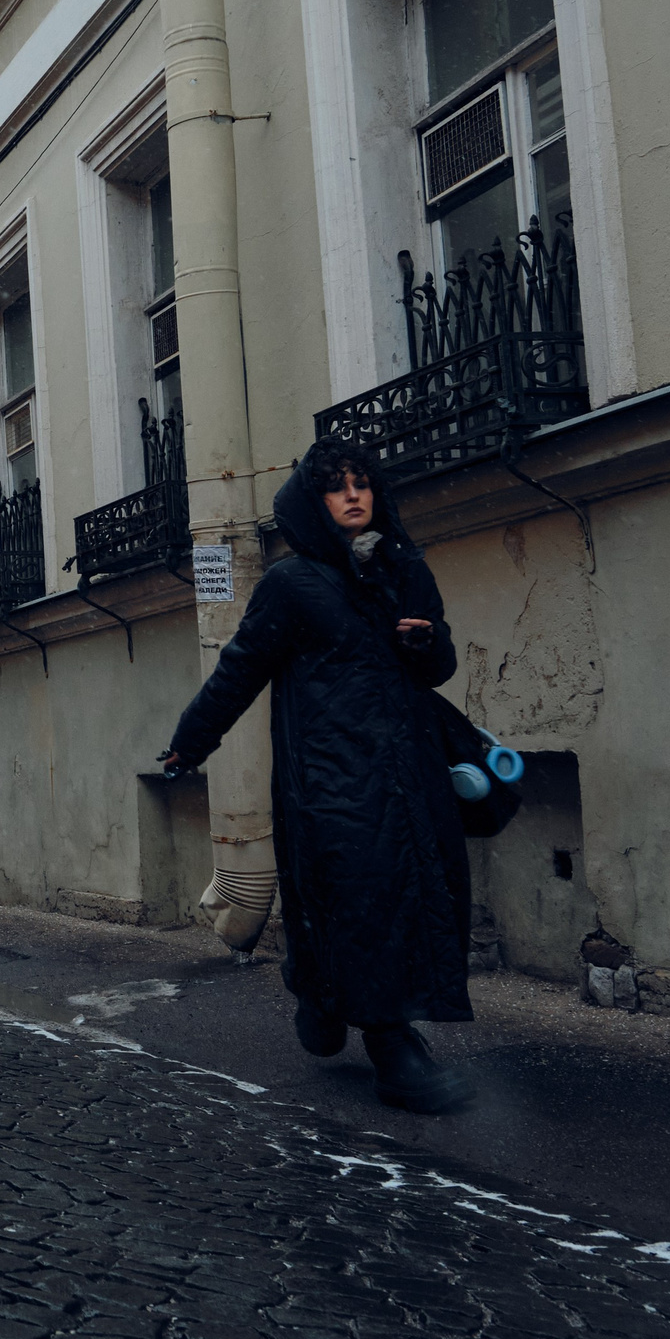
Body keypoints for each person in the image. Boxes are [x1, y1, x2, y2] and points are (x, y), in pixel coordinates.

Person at [161, 437, 475, 1114]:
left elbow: (440, 664)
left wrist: (428, 644)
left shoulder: (404, 569)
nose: (354, 495)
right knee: (363, 897)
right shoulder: (291, 583)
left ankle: (318, 987)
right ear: (315, 500)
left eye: (363, 482)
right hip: (331, 776)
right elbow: (240, 667)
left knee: (422, 890)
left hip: (409, 768)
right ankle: (394, 1047)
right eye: (338, 486)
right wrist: (192, 741)